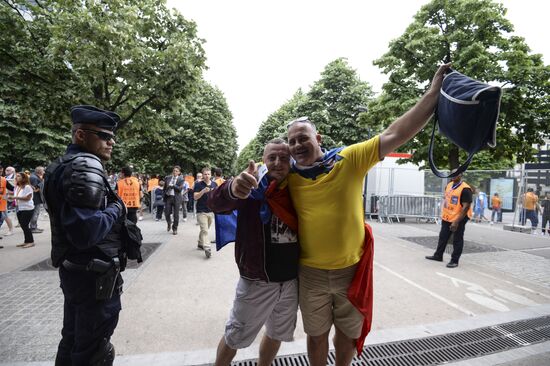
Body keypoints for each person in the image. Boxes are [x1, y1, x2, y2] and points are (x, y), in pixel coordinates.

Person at [277, 64, 450, 365]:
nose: (296, 145)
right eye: (291, 141)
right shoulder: (287, 176)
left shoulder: (349, 159)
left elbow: (396, 132)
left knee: (346, 334)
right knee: (316, 336)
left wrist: (433, 93)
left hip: (351, 271)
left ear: (318, 137)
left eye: (302, 137)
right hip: (311, 273)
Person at [43, 105, 127, 366]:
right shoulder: (86, 164)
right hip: (94, 277)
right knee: (93, 351)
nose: (111, 142)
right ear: (80, 135)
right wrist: (117, 207)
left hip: (78, 271)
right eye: (104, 135)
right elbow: (87, 232)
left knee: (72, 340)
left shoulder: (63, 164)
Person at [208, 139, 299, 366]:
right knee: (234, 337)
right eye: (272, 158)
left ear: (291, 161)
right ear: (264, 160)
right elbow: (215, 203)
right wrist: (231, 188)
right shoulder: (250, 187)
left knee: (276, 333)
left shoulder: (300, 187)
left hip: (290, 280)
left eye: (284, 158)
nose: (278, 163)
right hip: (256, 279)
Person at [425, 171, 473, 267]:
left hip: (459, 218)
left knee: (457, 239)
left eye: (456, 174)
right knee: (443, 236)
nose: (453, 176)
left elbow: (466, 207)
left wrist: (456, 222)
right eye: (452, 174)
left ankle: (454, 260)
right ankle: (438, 255)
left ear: (461, 175)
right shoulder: (449, 185)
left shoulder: (465, 189)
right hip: (447, 216)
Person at [193, 167, 217, 258]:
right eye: (205, 174)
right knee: (205, 230)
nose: (207, 176)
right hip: (201, 211)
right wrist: (203, 191)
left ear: (211, 175)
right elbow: (195, 197)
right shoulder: (199, 185)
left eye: (208, 174)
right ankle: (207, 248)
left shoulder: (214, 184)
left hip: (211, 211)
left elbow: (217, 197)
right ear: (202, 175)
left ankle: (200, 243)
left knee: (205, 229)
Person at [10, 172, 35, 248]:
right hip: (19, 208)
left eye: (18, 176)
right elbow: (16, 195)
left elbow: (28, 198)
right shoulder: (17, 187)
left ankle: (31, 241)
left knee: (25, 225)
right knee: (23, 225)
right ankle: (26, 241)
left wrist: (15, 198)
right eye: (16, 176)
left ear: (23, 178)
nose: (16, 178)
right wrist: (10, 196)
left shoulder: (27, 187)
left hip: (27, 208)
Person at [163, 166, 185, 235]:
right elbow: (164, 188)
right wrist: (164, 195)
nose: (175, 172)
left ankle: (175, 228)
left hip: (176, 198)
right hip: (168, 197)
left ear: (179, 172)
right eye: (174, 170)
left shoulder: (181, 179)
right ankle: (169, 223)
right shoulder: (168, 178)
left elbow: (179, 189)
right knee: (167, 213)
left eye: (176, 171)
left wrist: (173, 185)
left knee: (176, 214)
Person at [29, 166, 45, 233]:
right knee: (35, 213)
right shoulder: (35, 178)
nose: (44, 172)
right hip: (35, 198)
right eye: (43, 171)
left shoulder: (33, 176)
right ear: (40, 171)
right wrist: (42, 182)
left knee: (35, 213)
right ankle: (33, 228)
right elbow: (35, 189)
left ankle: (34, 226)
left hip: (34, 198)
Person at [0, 164, 15, 238]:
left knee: (5, 216)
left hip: (2, 202)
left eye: (1, 171)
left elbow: (12, 188)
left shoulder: (3, 179)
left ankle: (11, 230)